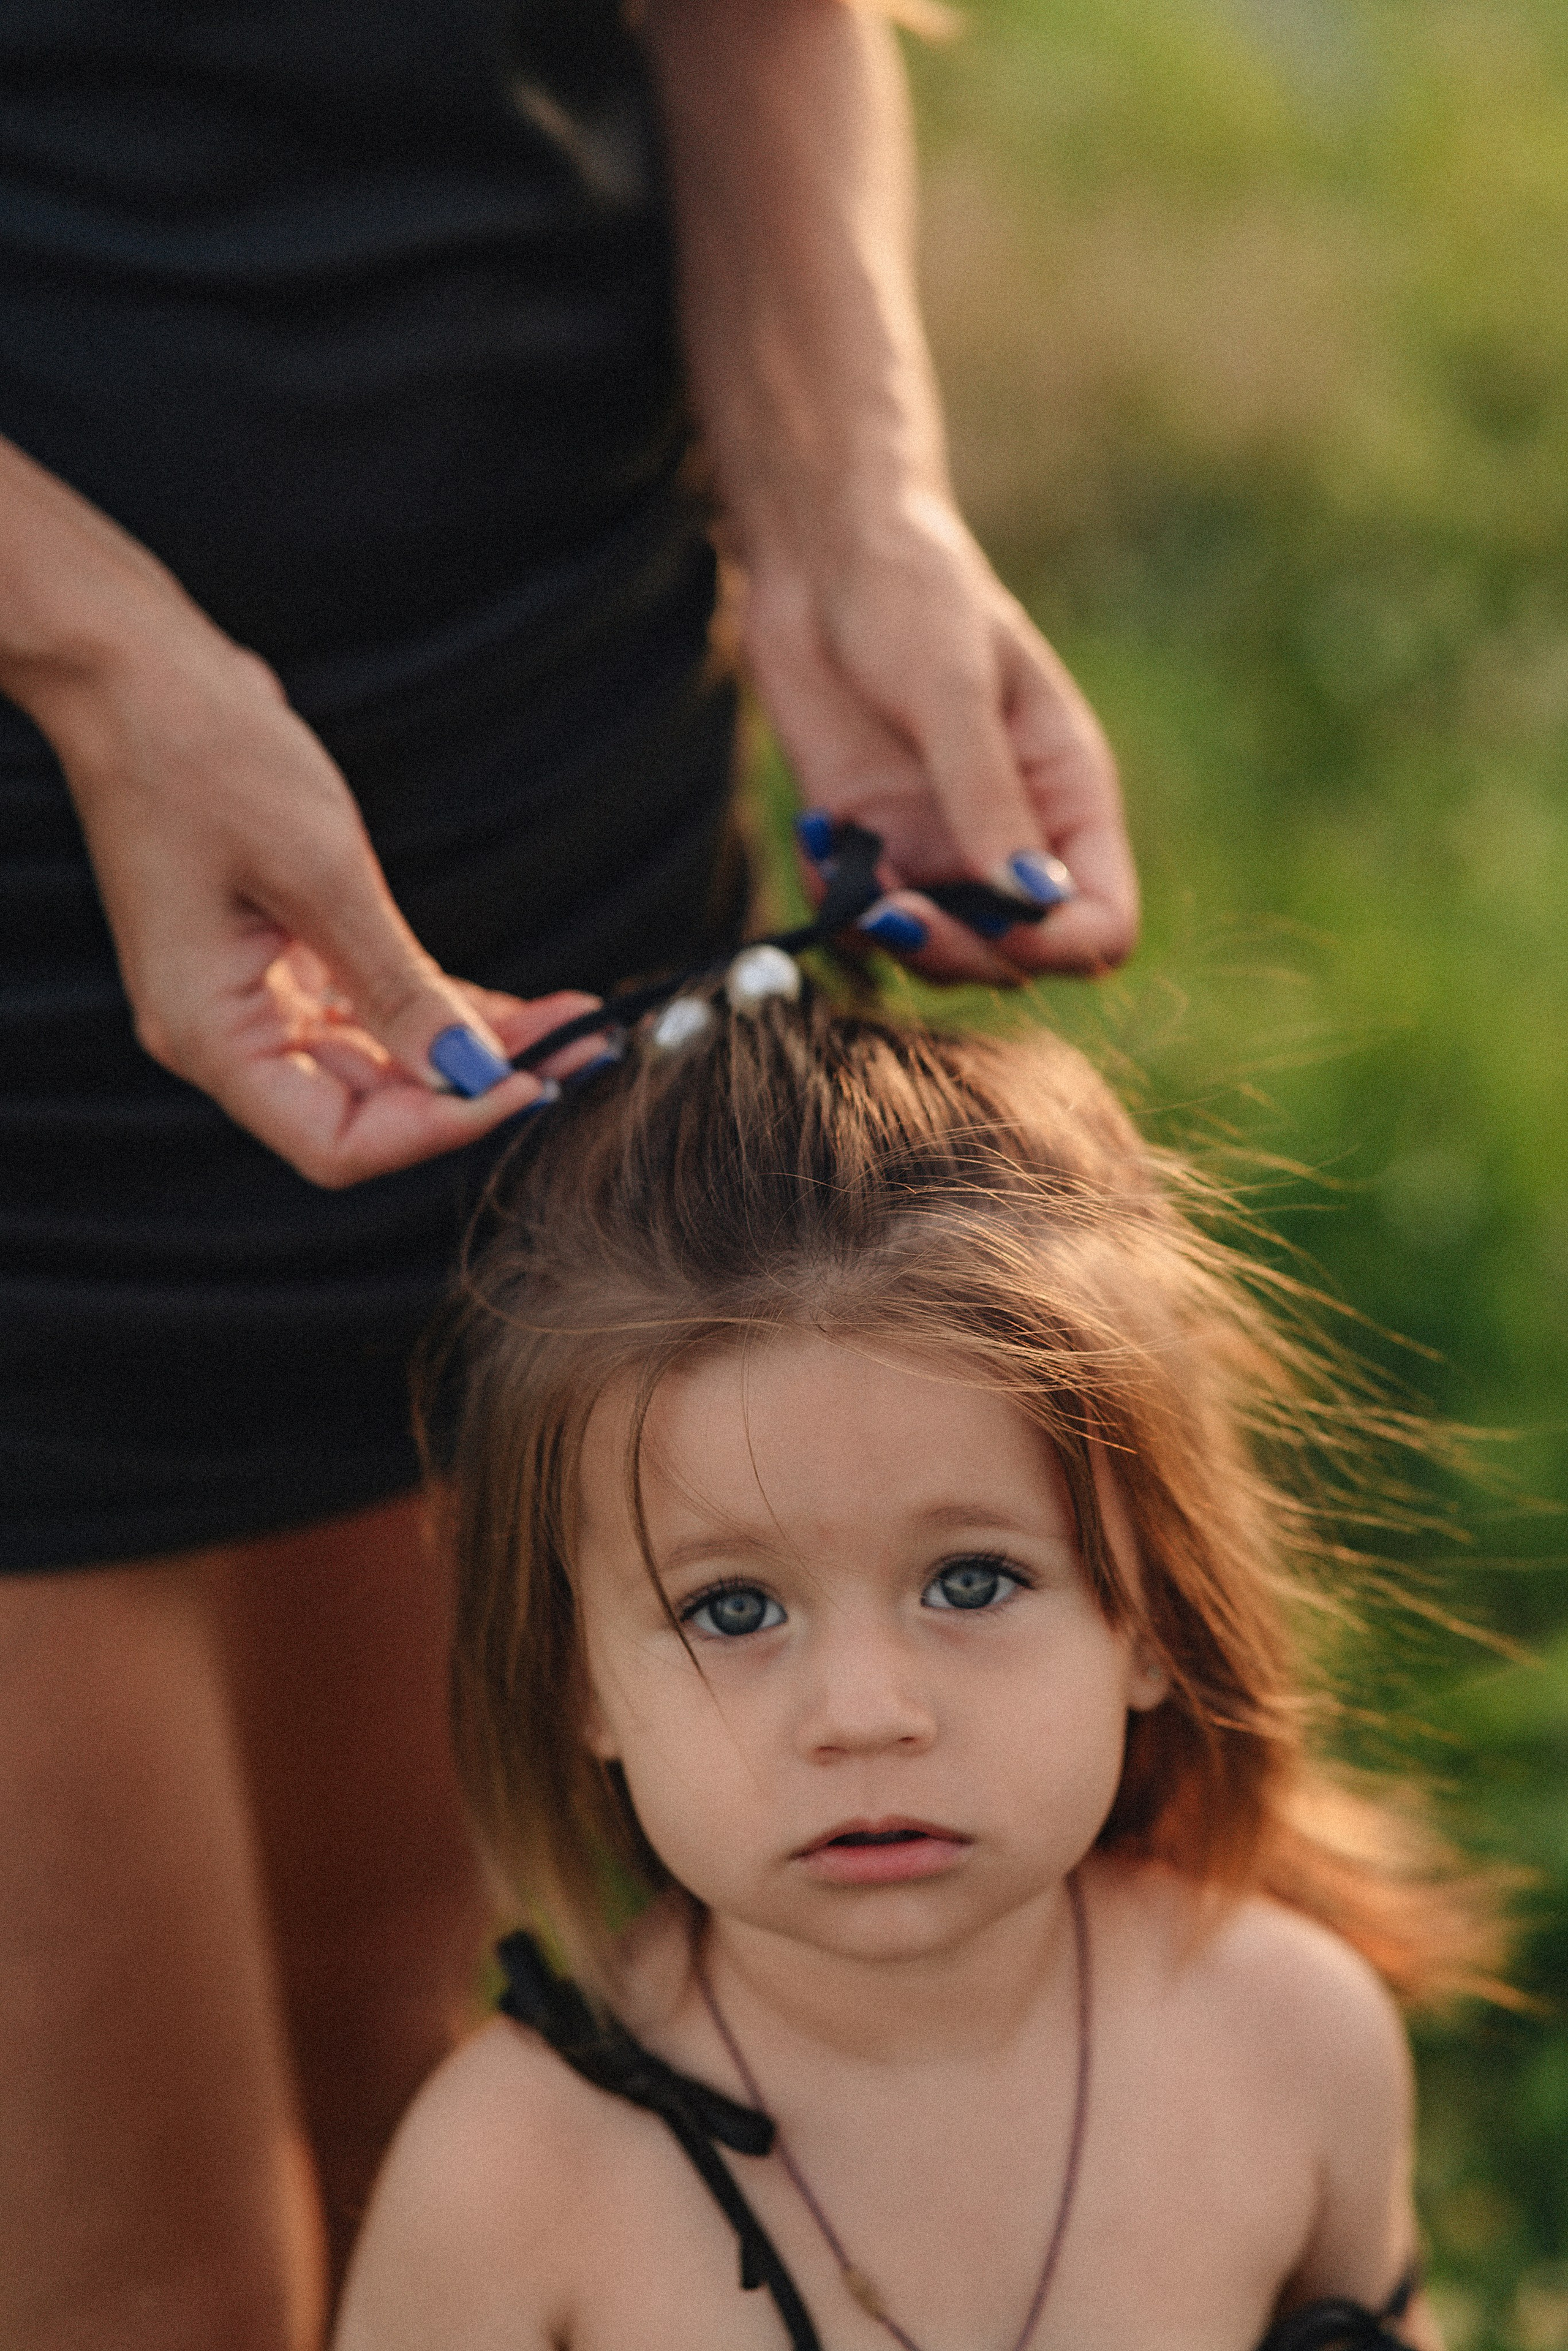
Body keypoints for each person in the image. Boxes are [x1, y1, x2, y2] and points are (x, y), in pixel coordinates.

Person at [0, 2, 1139, 2345]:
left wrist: (847, 500)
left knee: (481, 2129)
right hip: (46, 942)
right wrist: (95, 657)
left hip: (546, 762)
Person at [332, 978, 1499, 2351]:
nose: (866, 1714)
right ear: (576, 1674)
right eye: (731, 1609)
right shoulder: (511, 2180)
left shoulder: (1289, 2039)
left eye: (971, 1580)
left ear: (1145, 1616)